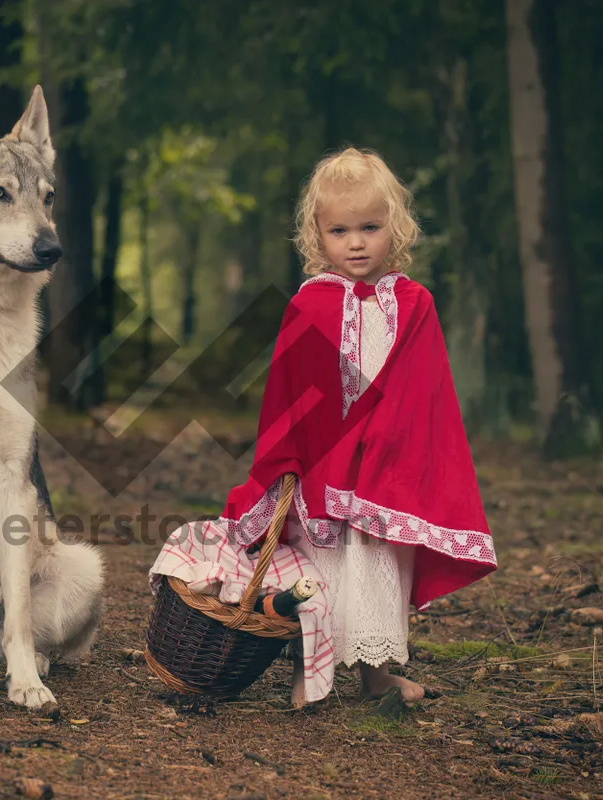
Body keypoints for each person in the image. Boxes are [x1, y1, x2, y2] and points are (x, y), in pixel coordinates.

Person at [220, 147, 498, 707]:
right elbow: (291, 395)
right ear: (317, 235)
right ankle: (308, 674)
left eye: (370, 227)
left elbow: (426, 390)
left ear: (394, 227)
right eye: (340, 230)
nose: (356, 242)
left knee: (375, 567)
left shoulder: (415, 303)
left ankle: (375, 675)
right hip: (322, 467)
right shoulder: (310, 304)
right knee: (317, 573)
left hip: (386, 467)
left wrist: (383, 450)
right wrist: (294, 461)